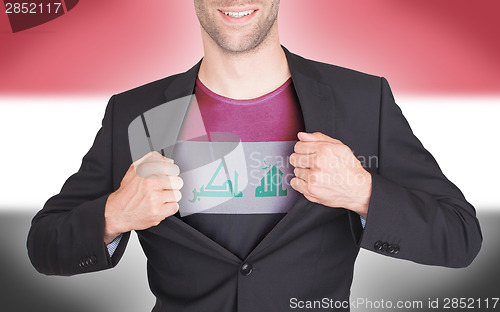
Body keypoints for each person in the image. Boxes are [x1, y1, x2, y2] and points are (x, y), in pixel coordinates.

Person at [27, 1, 482, 311]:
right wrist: (114, 214)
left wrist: (363, 192)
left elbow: (460, 236)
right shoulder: (137, 113)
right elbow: (45, 245)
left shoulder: (362, 101)